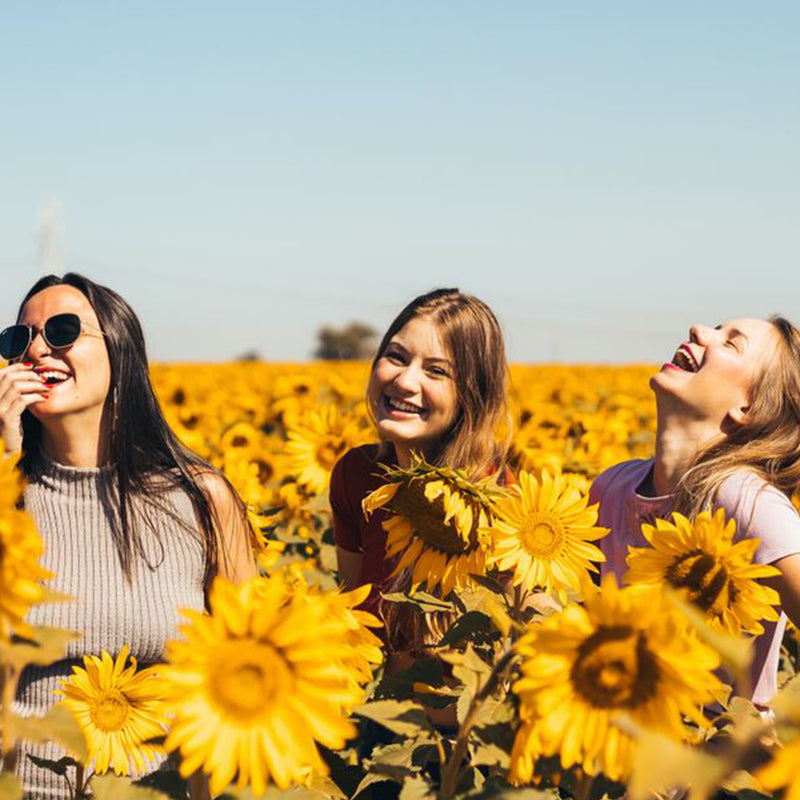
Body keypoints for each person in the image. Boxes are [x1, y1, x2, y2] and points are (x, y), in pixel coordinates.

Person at [0, 273, 256, 798]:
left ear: (121, 353)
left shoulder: (201, 500)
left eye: (63, 330)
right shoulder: (9, 494)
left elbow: (245, 666)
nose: (39, 349)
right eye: (18, 339)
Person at [590, 316, 800, 706]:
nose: (699, 331)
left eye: (731, 343)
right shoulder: (611, 489)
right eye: (715, 328)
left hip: (722, 758)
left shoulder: (747, 502)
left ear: (748, 407)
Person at [330, 287, 512, 652]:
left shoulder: (502, 502)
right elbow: (352, 617)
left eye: (436, 371)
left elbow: (504, 649)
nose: (404, 382)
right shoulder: (357, 475)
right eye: (396, 357)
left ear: (472, 395)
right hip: (371, 701)